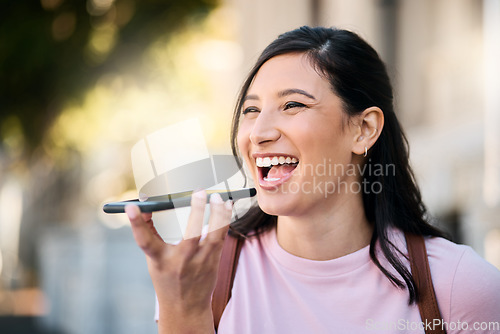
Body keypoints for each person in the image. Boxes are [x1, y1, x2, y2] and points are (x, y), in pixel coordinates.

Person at [125, 26, 500, 333]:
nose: (258, 133)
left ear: (364, 129)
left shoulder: (458, 285)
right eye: (251, 110)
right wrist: (185, 312)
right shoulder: (199, 276)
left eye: (293, 105)